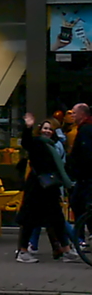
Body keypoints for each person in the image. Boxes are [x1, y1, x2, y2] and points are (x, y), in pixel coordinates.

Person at [15, 114, 81, 263]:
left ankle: (66, 250)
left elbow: (60, 167)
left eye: (50, 129)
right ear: (40, 130)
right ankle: (23, 251)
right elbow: (27, 142)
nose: (47, 131)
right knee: (30, 220)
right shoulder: (37, 143)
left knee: (56, 219)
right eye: (45, 128)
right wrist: (28, 127)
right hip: (37, 188)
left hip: (49, 188)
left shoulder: (53, 145)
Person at [68, 103, 92, 231]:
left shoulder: (85, 130)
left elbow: (85, 154)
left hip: (85, 178)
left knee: (79, 204)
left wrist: (76, 170)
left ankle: (81, 237)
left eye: (74, 113)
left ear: (82, 114)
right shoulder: (84, 129)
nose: (72, 115)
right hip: (85, 177)